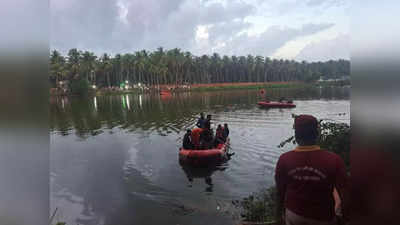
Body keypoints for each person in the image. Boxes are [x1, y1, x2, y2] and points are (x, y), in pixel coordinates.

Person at [275, 115, 348, 225]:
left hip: (294, 215)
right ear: (316, 134)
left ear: (296, 135)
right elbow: (345, 192)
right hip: (323, 217)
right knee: (335, 191)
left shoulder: (284, 159)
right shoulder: (334, 160)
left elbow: (280, 192)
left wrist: (279, 214)